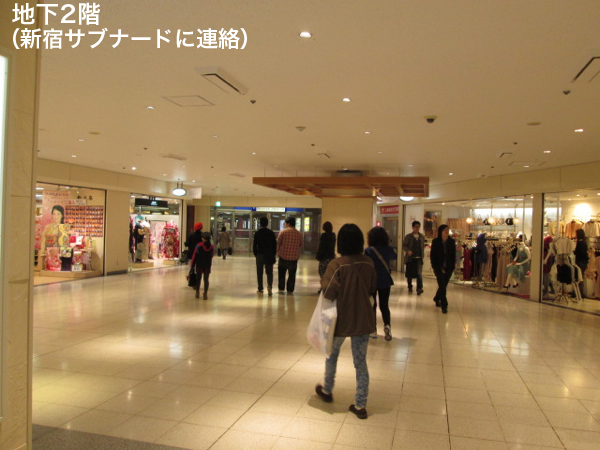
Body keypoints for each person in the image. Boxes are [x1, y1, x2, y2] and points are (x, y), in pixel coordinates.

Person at [315, 224, 377, 420]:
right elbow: (372, 287)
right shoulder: (368, 262)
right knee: (360, 362)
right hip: (363, 319)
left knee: (331, 354)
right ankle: (360, 404)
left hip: (340, 320)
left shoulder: (337, 264)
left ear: (340, 242)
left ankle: (327, 389)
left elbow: (328, 291)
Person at [365, 226, 397, 341]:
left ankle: (373, 330)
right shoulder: (388, 249)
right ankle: (387, 325)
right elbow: (394, 256)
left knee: (372, 305)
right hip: (385, 280)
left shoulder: (369, 250)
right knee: (384, 305)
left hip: (372, 281)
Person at [430, 224, 456, 314]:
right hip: (438, 266)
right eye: (445, 230)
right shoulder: (436, 241)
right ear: (441, 231)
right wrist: (434, 265)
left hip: (448, 267)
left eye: (447, 229)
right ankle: (444, 305)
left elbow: (453, 255)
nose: (446, 231)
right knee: (442, 285)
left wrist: (453, 266)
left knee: (443, 285)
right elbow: (432, 255)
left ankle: (437, 298)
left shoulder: (451, 241)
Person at [277, 217, 303, 293]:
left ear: (288, 224)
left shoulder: (283, 232)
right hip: (294, 258)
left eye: (285, 223)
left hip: (283, 256)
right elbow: (301, 245)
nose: (285, 224)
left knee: (281, 274)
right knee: (292, 275)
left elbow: (278, 243)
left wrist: (278, 252)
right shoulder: (299, 234)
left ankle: (281, 288)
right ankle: (290, 289)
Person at [253, 217, 277, 296]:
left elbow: (255, 245)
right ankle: (269, 286)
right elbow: (274, 245)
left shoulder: (257, 233)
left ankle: (260, 288)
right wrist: (273, 254)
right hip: (269, 255)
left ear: (260, 223)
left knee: (259, 272)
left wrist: (256, 254)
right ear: (267, 223)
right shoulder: (271, 233)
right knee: (269, 272)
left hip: (260, 255)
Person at [402, 221, 425, 295]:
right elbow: (404, 245)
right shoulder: (408, 236)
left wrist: (422, 254)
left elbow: (422, 246)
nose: (417, 228)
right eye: (415, 227)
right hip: (410, 258)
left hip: (419, 258)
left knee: (419, 274)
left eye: (418, 227)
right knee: (409, 274)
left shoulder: (422, 236)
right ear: (412, 227)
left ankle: (419, 288)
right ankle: (410, 286)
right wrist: (408, 251)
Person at [190, 232, 215, 300]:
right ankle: (205, 294)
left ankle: (197, 292)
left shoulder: (199, 245)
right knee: (206, 279)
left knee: (198, 278)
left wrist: (192, 265)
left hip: (199, 264)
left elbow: (194, 255)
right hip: (207, 265)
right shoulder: (212, 247)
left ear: (203, 238)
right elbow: (212, 255)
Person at [316, 221, 336, 292]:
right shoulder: (333, 236)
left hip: (324, 257)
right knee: (329, 272)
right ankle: (328, 286)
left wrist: (318, 256)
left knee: (322, 272)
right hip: (331, 257)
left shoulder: (324, 236)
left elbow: (322, 247)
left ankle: (324, 286)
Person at [574, 228, 589, 297]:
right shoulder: (584, 243)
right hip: (583, 261)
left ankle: (579, 292)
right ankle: (580, 292)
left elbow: (578, 253)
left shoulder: (580, 243)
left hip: (580, 261)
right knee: (580, 276)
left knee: (579, 277)